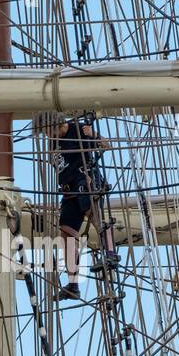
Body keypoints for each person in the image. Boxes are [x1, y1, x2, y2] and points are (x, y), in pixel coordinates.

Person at [55, 114, 118, 301]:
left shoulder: (79, 129)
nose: (47, 135)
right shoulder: (53, 141)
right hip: (68, 191)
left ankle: (110, 254)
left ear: (60, 124)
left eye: (48, 130)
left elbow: (107, 145)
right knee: (65, 234)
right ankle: (73, 284)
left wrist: (94, 135)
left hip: (86, 180)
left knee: (95, 215)